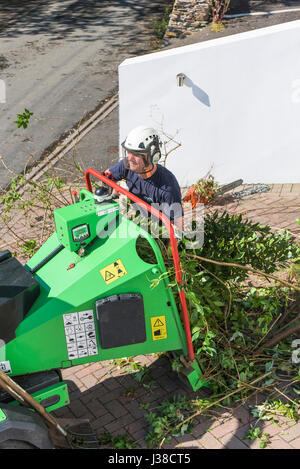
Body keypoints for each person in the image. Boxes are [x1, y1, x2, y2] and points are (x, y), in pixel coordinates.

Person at [105, 125, 184, 234]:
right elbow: (107, 176)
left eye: (136, 154)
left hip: (158, 233)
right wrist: (110, 193)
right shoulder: (127, 165)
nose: (130, 158)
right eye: (129, 152)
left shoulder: (167, 187)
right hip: (136, 222)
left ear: (152, 156)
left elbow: (177, 227)